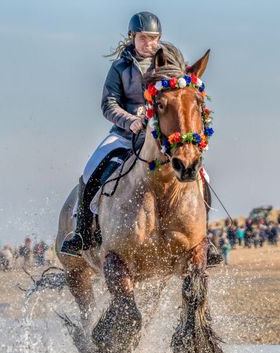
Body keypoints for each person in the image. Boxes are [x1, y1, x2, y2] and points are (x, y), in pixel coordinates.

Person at [59, 12, 221, 266]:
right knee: (90, 170)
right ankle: (82, 234)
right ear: (132, 37)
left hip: (162, 140)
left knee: (203, 177)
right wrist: (130, 121)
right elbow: (108, 104)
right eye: (144, 38)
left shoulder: (170, 67)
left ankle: (202, 237)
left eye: (154, 38)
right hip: (125, 136)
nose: (150, 44)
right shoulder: (121, 68)